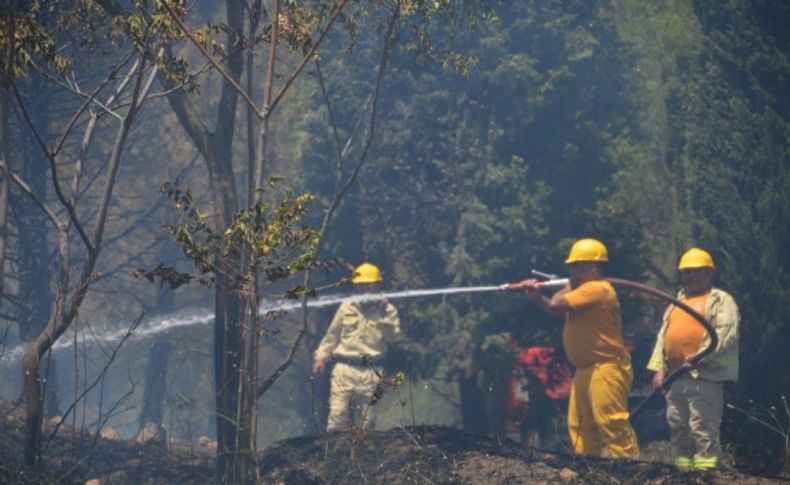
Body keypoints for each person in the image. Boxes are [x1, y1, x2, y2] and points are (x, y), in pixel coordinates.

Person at [521, 238, 639, 458]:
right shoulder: (583, 292)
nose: (573, 270)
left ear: (593, 267)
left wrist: (565, 286)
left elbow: (557, 303)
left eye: (577, 266)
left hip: (607, 367)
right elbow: (556, 311)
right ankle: (588, 471)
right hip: (586, 369)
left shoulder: (597, 289)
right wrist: (536, 298)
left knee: (611, 422)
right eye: (572, 267)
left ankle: (630, 471)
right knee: (580, 426)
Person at [647, 248, 739, 469]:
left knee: (702, 428)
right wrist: (659, 370)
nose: (693, 275)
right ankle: (684, 474)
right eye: (688, 271)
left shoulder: (721, 300)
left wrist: (700, 357)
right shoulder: (677, 303)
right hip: (676, 378)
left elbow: (726, 334)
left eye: (698, 271)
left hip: (705, 376)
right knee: (679, 428)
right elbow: (663, 338)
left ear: (710, 272)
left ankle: (704, 475)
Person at [312, 262, 403, 431]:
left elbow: (393, 339)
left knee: (366, 423)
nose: (365, 289)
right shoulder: (347, 307)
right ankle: (334, 454)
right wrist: (320, 358)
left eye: (369, 285)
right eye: (361, 286)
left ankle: (360, 456)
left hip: (372, 372)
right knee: (337, 420)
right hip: (343, 370)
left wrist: (383, 316)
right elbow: (331, 336)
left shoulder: (388, 310)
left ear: (377, 286)